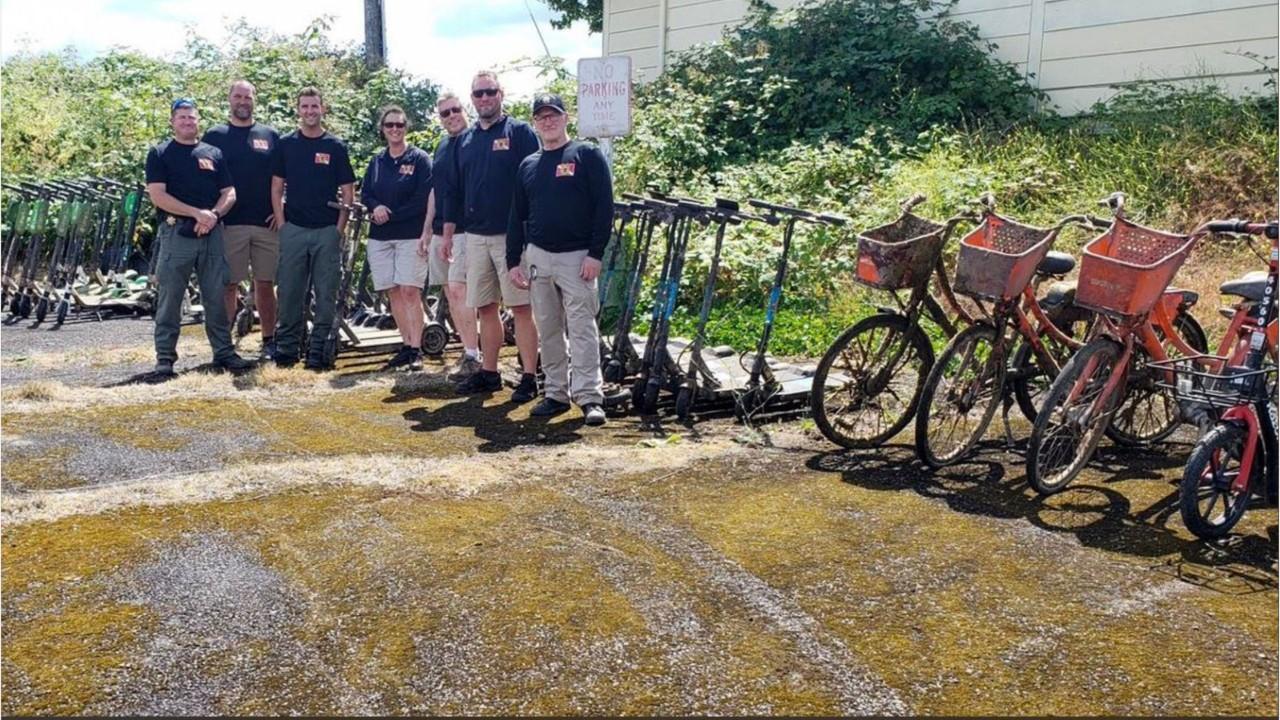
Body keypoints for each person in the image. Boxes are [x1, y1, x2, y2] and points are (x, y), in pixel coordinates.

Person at [507, 94, 611, 426]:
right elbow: (516, 216)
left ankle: (590, 397)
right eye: (541, 117)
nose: (547, 121)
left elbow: (603, 208)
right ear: (534, 123)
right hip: (539, 256)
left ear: (566, 118)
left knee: (581, 327)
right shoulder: (529, 165)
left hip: (578, 256)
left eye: (553, 115)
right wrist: (513, 260)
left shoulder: (586, 155)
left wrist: (596, 253)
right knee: (548, 327)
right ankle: (555, 393)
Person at [441, 70, 541, 402]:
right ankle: (490, 372)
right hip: (475, 236)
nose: (484, 98)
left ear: (501, 93)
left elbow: (534, 183)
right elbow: (455, 190)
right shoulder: (465, 140)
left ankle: (529, 377)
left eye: (490, 92)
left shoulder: (520, 132)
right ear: (472, 99)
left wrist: (529, 231)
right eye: (478, 94)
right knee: (485, 306)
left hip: (511, 236)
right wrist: (449, 232)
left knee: (522, 306)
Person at [144, 98, 254, 376]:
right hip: (176, 233)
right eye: (181, 117)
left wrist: (213, 215)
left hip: (211, 233)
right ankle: (165, 359)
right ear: (172, 121)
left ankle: (224, 353)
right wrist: (196, 214)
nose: (187, 122)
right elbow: (158, 195)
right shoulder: (159, 153)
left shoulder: (212, 153)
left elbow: (230, 193)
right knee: (170, 298)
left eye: (191, 117)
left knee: (216, 296)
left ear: (198, 121)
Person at [270, 87, 356, 370]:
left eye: (314, 106)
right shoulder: (286, 144)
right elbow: (277, 187)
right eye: (304, 106)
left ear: (323, 109)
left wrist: (338, 230)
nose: (309, 111)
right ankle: (286, 348)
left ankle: (318, 349)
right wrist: (282, 224)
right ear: (298, 110)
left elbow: (347, 192)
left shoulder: (335, 146)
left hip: (326, 231)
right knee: (290, 291)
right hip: (294, 228)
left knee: (326, 292)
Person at [201, 79, 282, 360]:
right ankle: (223, 346)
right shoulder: (214, 136)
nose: (243, 102)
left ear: (254, 100)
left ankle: (269, 340)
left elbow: (284, 177)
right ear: (230, 100)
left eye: (247, 97)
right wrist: (214, 214)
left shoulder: (270, 135)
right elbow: (204, 179)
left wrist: (280, 207)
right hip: (229, 224)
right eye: (238, 96)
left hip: (266, 223)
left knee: (265, 283)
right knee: (228, 285)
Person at [361, 105, 433, 371]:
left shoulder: (419, 159)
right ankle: (405, 345)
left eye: (399, 125)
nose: (394, 129)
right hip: (380, 238)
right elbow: (365, 193)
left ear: (406, 128)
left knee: (409, 290)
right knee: (393, 291)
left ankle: (417, 349)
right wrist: (375, 207)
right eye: (389, 125)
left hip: (410, 236)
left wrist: (391, 214)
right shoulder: (377, 161)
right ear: (382, 129)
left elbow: (423, 198)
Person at [422, 92, 481, 382]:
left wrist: (447, 233)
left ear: (464, 109)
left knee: (460, 290)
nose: (451, 116)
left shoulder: (474, 141)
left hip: (464, 230)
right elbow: (437, 190)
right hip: (440, 231)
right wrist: (426, 229)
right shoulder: (442, 146)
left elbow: (461, 192)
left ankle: (474, 354)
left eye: (455, 109)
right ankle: (468, 350)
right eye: (445, 113)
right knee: (449, 291)